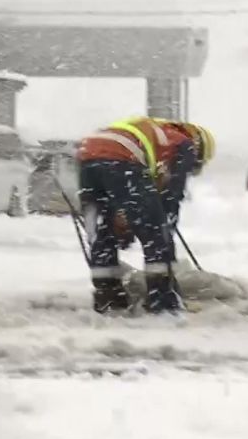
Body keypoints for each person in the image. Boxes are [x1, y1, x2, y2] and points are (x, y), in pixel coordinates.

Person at [75, 117, 214, 313]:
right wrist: (164, 231)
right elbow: (171, 196)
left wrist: (127, 225)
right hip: (120, 158)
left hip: (87, 157)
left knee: (104, 233)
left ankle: (108, 298)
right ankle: (163, 303)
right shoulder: (185, 143)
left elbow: (135, 196)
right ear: (200, 149)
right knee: (157, 237)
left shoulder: (157, 134)